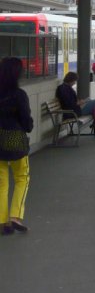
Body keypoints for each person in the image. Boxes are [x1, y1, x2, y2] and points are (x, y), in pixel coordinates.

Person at [0, 57, 33, 234]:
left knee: (1, 182)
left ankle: (2, 221)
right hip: (15, 140)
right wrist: (28, 127)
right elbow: (26, 120)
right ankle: (15, 216)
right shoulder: (19, 94)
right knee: (22, 177)